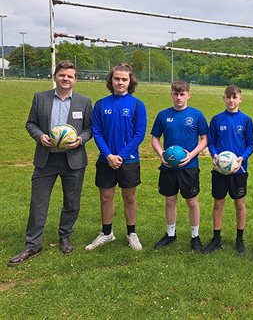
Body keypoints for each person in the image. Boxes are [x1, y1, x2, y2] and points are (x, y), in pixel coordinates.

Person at [8, 61, 92, 266]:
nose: (66, 79)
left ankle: (65, 236)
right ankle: (33, 244)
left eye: (70, 76)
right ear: (55, 76)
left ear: (75, 79)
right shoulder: (41, 98)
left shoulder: (84, 101)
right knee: (38, 202)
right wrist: (39, 137)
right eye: (62, 75)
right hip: (46, 159)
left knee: (71, 202)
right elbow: (31, 123)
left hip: (74, 160)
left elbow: (89, 129)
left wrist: (80, 139)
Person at [86, 63, 147, 251]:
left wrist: (120, 155)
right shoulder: (101, 104)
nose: (120, 82)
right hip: (106, 161)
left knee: (129, 198)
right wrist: (108, 155)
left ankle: (132, 233)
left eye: (124, 79)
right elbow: (97, 131)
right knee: (106, 197)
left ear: (130, 82)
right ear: (110, 80)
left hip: (128, 160)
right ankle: (107, 233)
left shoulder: (137, 105)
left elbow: (139, 134)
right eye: (116, 78)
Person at [151, 80, 208, 252]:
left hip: (189, 167)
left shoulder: (197, 115)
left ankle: (195, 236)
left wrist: (191, 155)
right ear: (171, 95)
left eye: (182, 94)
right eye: (175, 94)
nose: (178, 97)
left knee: (192, 201)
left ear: (188, 95)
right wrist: (161, 154)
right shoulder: (163, 115)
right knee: (170, 200)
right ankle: (170, 234)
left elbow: (205, 139)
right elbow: (154, 138)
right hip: (169, 167)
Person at [202, 85, 253, 255]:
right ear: (223, 98)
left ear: (241, 99)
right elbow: (211, 141)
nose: (231, 101)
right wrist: (215, 155)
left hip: (238, 170)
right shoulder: (217, 120)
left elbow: (251, 144)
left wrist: (242, 158)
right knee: (218, 203)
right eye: (228, 97)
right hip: (219, 170)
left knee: (239, 203)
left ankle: (240, 239)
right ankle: (216, 238)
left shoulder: (246, 120)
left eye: (235, 97)